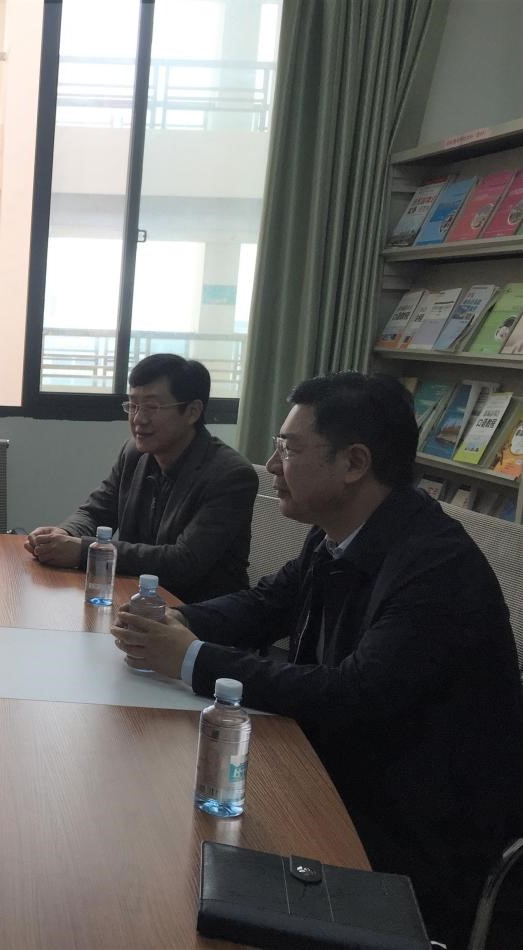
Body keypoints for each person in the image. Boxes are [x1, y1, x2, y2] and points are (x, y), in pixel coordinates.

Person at [112, 372, 523, 947]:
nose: (271, 466)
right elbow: (266, 605)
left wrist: (192, 658)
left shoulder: (435, 568)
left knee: (171, 876)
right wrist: (180, 622)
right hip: (338, 772)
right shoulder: (340, 530)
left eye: (289, 448)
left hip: (412, 835)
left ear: (354, 463)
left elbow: (350, 695)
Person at [25, 353, 257, 603]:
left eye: (152, 407)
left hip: (197, 612)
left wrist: (83, 551)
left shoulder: (230, 475)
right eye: (133, 405)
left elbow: (183, 562)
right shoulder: (135, 454)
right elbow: (95, 511)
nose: (138, 419)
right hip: (134, 599)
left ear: (192, 412)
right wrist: (62, 534)